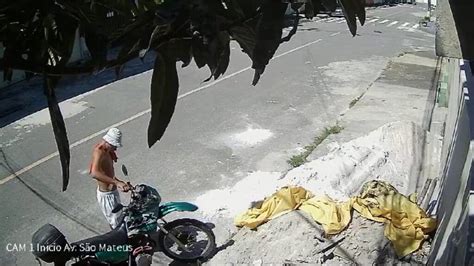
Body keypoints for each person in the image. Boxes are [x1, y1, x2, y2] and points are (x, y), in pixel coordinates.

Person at [89, 127, 130, 229]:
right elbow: (94, 173)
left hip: (113, 192)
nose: (115, 149)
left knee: (120, 218)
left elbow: (107, 173)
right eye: (114, 146)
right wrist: (116, 183)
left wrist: (119, 182)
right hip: (106, 196)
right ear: (108, 142)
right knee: (116, 223)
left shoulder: (108, 152)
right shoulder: (99, 152)